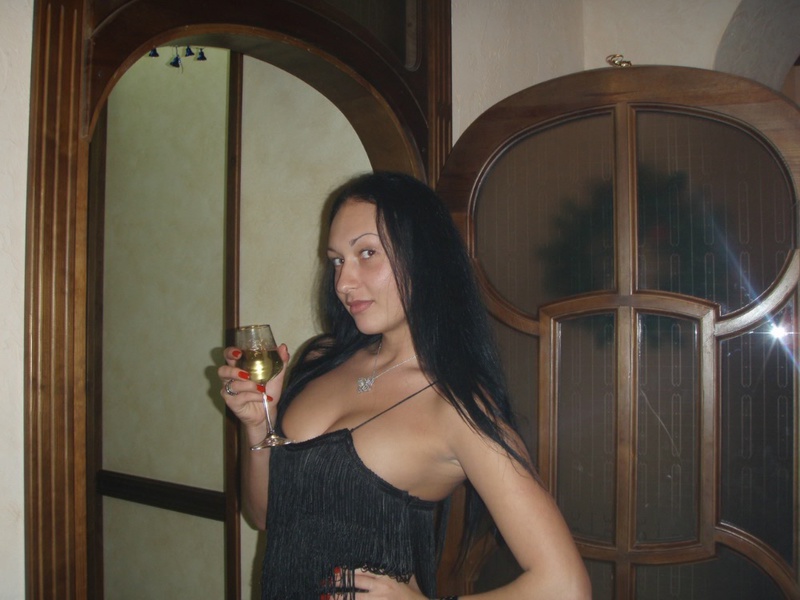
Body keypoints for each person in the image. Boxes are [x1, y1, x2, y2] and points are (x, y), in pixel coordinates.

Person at [219, 172, 591, 599]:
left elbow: (565, 586)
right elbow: (267, 516)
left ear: (423, 256)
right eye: (337, 260)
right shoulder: (320, 358)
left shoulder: (457, 408)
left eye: (367, 253)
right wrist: (257, 424)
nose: (343, 283)